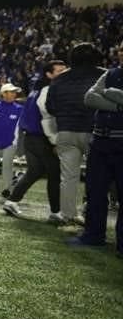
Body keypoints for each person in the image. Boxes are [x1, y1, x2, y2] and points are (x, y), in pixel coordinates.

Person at [45, 43, 105, 225]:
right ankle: (92, 214)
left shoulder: (60, 79)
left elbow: (50, 107)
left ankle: (68, 214)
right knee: (99, 176)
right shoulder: (104, 74)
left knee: (68, 177)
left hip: (66, 131)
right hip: (95, 131)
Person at [68, 63, 123, 256]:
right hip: (100, 141)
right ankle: (93, 235)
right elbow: (90, 97)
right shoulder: (111, 73)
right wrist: (118, 104)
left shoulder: (109, 76)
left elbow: (98, 95)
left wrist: (107, 92)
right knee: (95, 191)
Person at [3, 60, 66, 221]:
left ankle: (12, 201)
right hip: (41, 137)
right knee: (54, 172)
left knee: (35, 171)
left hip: (30, 137)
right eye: (59, 71)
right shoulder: (48, 89)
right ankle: (56, 212)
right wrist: (54, 140)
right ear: (49, 74)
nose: (64, 73)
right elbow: (47, 117)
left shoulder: (37, 89)